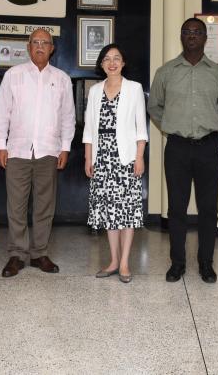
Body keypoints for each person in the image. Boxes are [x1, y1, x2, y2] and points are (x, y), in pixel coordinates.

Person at [148, 17, 218, 283]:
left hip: (209, 147)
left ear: (205, 37)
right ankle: (177, 263)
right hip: (177, 148)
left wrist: (212, 128)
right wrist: (171, 126)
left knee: (208, 209)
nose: (192, 36)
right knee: (177, 209)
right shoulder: (166, 72)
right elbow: (155, 107)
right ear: (181, 36)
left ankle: (206, 264)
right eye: (187, 32)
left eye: (197, 32)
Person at [0, 28, 75, 277]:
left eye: (45, 42)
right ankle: (17, 254)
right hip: (17, 149)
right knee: (16, 205)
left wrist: (65, 147)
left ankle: (39, 253)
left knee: (44, 205)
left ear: (52, 48)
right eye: (35, 42)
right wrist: (0, 145)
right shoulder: (13, 75)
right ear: (28, 47)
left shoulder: (62, 79)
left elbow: (67, 116)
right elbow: (3, 113)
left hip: (48, 150)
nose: (40, 46)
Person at [83, 44, 148, 283]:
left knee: (127, 212)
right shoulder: (95, 90)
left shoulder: (134, 88)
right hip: (103, 157)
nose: (112, 63)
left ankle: (124, 263)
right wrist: (89, 157)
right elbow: (90, 130)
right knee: (109, 212)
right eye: (107, 59)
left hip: (126, 158)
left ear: (123, 63)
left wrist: (139, 157)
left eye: (117, 58)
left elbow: (141, 129)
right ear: (101, 64)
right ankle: (112, 260)